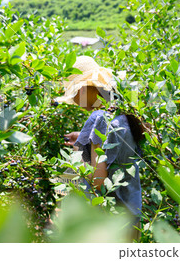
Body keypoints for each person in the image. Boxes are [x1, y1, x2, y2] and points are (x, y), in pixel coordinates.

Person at [56, 55, 144, 230]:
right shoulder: (126, 117)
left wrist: (77, 151)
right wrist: (83, 137)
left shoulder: (100, 118)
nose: (74, 100)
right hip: (130, 215)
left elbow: (97, 180)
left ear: (84, 89)